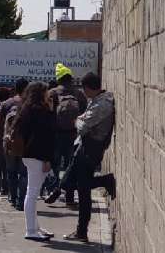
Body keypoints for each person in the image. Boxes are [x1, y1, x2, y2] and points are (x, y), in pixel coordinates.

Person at [46, 73, 116, 243]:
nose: (83, 94)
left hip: (91, 149)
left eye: (84, 90)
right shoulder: (98, 100)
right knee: (77, 185)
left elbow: (82, 125)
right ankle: (81, 230)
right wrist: (80, 120)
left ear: (88, 88)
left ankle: (82, 230)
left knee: (82, 190)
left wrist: (78, 120)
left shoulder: (103, 104)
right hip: (84, 147)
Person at [17, 82, 56, 241]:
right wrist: (47, 159)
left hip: (29, 154)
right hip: (38, 156)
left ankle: (35, 227)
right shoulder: (41, 111)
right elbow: (46, 137)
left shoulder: (26, 109)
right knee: (32, 193)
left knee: (32, 192)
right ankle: (31, 230)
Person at [48, 63, 88, 206]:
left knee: (55, 164)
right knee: (71, 166)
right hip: (74, 135)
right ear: (70, 78)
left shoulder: (52, 93)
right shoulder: (78, 94)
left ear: (59, 79)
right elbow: (85, 113)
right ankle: (70, 198)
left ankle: (53, 190)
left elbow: (48, 114)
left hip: (56, 135)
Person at [0, 78, 29, 209]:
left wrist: (3, 136)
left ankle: (13, 198)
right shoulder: (30, 104)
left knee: (11, 172)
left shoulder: (7, 103)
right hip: (25, 144)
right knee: (24, 173)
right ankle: (21, 201)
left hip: (9, 142)